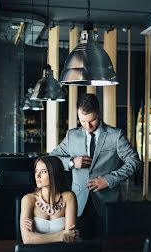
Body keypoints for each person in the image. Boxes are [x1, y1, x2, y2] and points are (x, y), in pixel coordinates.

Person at [50, 93, 141, 238]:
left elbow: (134, 162)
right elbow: (52, 158)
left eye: (92, 120)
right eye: (82, 121)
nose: (87, 126)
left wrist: (109, 179)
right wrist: (72, 162)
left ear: (99, 112)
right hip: (78, 204)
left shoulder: (116, 135)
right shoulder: (72, 135)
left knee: (108, 249)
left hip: (108, 202)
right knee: (81, 248)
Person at [20, 155, 80, 244]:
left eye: (43, 172)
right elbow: (27, 239)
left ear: (54, 173)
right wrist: (62, 235)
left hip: (62, 251)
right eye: (36, 171)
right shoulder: (28, 199)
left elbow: (70, 238)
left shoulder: (68, 197)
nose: (37, 175)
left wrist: (36, 237)